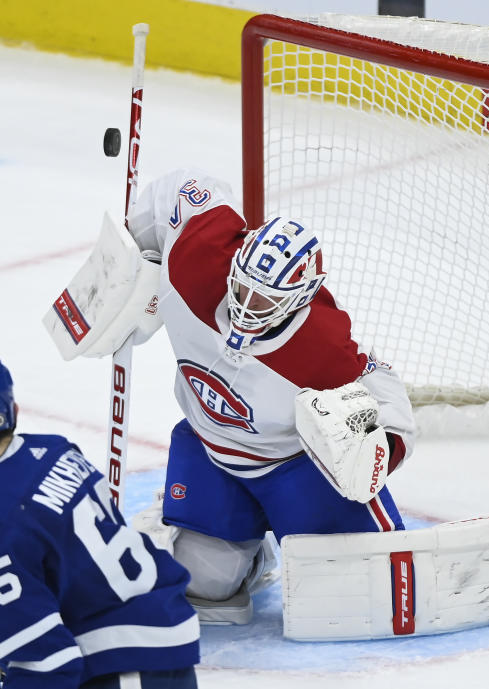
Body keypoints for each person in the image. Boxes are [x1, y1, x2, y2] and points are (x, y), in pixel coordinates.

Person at [121, 170, 418, 623]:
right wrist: (130, 254)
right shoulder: (198, 257)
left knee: (365, 591)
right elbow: (180, 189)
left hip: (292, 468)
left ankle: (276, 525)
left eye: (264, 301)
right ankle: (251, 554)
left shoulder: (321, 346)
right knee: (202, 590)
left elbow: (381, 387)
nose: (245, 305)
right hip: (211, 450)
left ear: (299, 299)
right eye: (242, 287)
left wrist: (383, 449)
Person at [0, 346, 200, 688]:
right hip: (164, 641)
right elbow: (70, 555)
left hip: (118, 665)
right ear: (12, 410)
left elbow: (48, 666)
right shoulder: (56, 450)